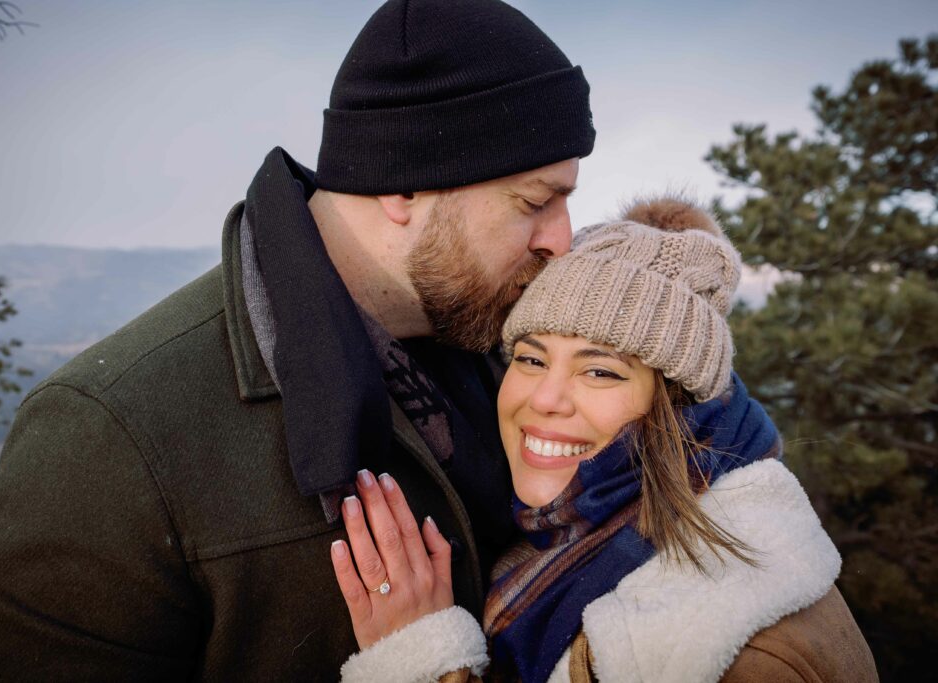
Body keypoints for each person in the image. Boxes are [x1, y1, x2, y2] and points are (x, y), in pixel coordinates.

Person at [0, 1, 596, 680]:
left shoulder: (515, 357)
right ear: (405, 183)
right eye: (533, 202)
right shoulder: (110, 437)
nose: (561, 239)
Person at [330, 197, 879, 682]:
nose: (544, 398)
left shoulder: (747, 650)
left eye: (600, 372)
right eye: (530, 358)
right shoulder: (565, 542)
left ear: (676, 406)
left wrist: (419, 666)